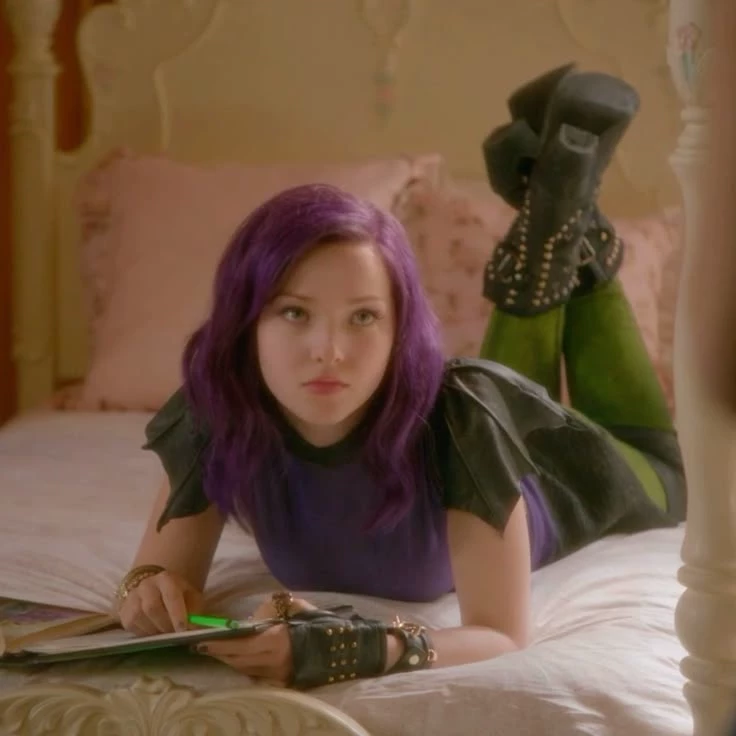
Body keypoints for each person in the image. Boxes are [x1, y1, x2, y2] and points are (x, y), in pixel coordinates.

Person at [114, 65, 686, 690]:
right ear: (245, 323)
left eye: (362, 317)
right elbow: (156, 579)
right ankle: (556, 212)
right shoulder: (215, 410)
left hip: (582, 476)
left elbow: (501, 634)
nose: (329, 351)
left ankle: (579, 233)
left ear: (399, 332)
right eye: (295, 313)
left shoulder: (460, 421)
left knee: (671, 477)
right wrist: (148, 594)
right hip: (489, 435)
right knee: (487, 398)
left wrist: (346, 649)